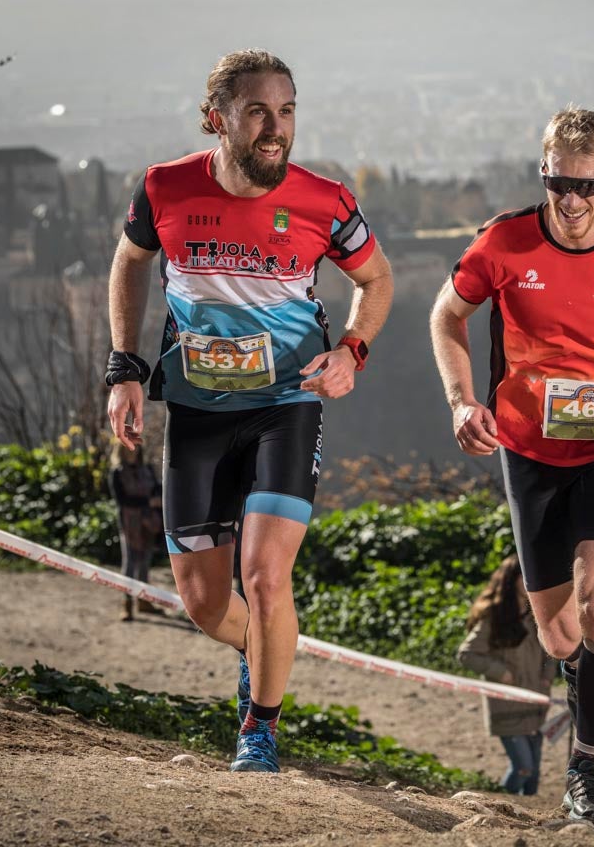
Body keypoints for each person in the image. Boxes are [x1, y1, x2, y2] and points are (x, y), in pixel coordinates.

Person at [105, 49, 394, 773]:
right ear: (217, 119)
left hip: (286, 404)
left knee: (265, 577)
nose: (276, 127)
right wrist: (124, 367)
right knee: (204, 603)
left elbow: (377, 278)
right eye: (258, 111)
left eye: (287, 110)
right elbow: (130, 261)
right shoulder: (163, 187)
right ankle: (261, 648)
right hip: (196, 409)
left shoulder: (326, 200)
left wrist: (351, 351)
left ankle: (258, 731)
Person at [429, 105, 594, 828]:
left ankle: (587, 771)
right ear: (543, 172)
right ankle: (587, 691)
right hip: (527, 450)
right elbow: (447, 316)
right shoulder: (503, 241)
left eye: (588, 187)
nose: (572, 202)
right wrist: (461, 401)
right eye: (558, 184)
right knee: (560, 635)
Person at [457, 557, 556, 796]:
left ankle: (528, 818)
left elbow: (552, 651)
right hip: (507, 706)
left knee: (533, 777)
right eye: (525, 575)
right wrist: (500, 672)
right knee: (523, 768)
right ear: (512, 580)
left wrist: (547, 676)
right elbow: (467, 654)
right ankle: (496, 806)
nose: (532, 580)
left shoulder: (538, 614)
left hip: (535, 703)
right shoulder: (494, 616)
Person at [108, 443, 165, 621]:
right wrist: (148, 502)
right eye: (129, 445)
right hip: (129, 524)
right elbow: (122, 500)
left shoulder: (147, 469)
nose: (133, 449)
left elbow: (156, 490)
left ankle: (144, 601)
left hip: (149, 522)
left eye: (136, 445)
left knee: (145, 562)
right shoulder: (117, 472)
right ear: (122, 449)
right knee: (130, 563)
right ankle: (127, 604)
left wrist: (157, 499)